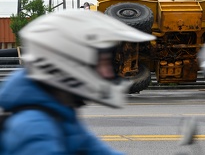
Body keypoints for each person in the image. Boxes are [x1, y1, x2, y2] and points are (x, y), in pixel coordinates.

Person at [0, 10, 155, 154]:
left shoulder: (61, 113)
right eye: (103, 62)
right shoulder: (34, 130)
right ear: (73, 60)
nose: (108, 72)